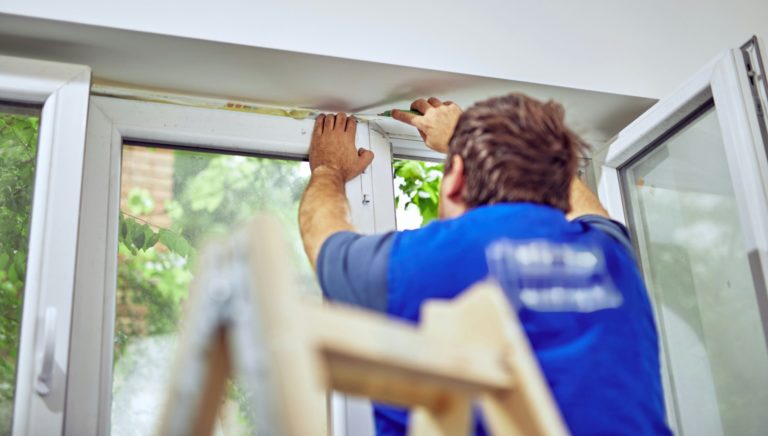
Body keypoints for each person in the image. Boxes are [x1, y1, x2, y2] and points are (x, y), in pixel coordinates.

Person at [298, 94, 671, 435]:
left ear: (456, 177)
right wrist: (468, 139)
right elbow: (586, 207)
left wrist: (329, 168)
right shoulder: (610, 255)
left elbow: (324, 240)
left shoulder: (425, 260)